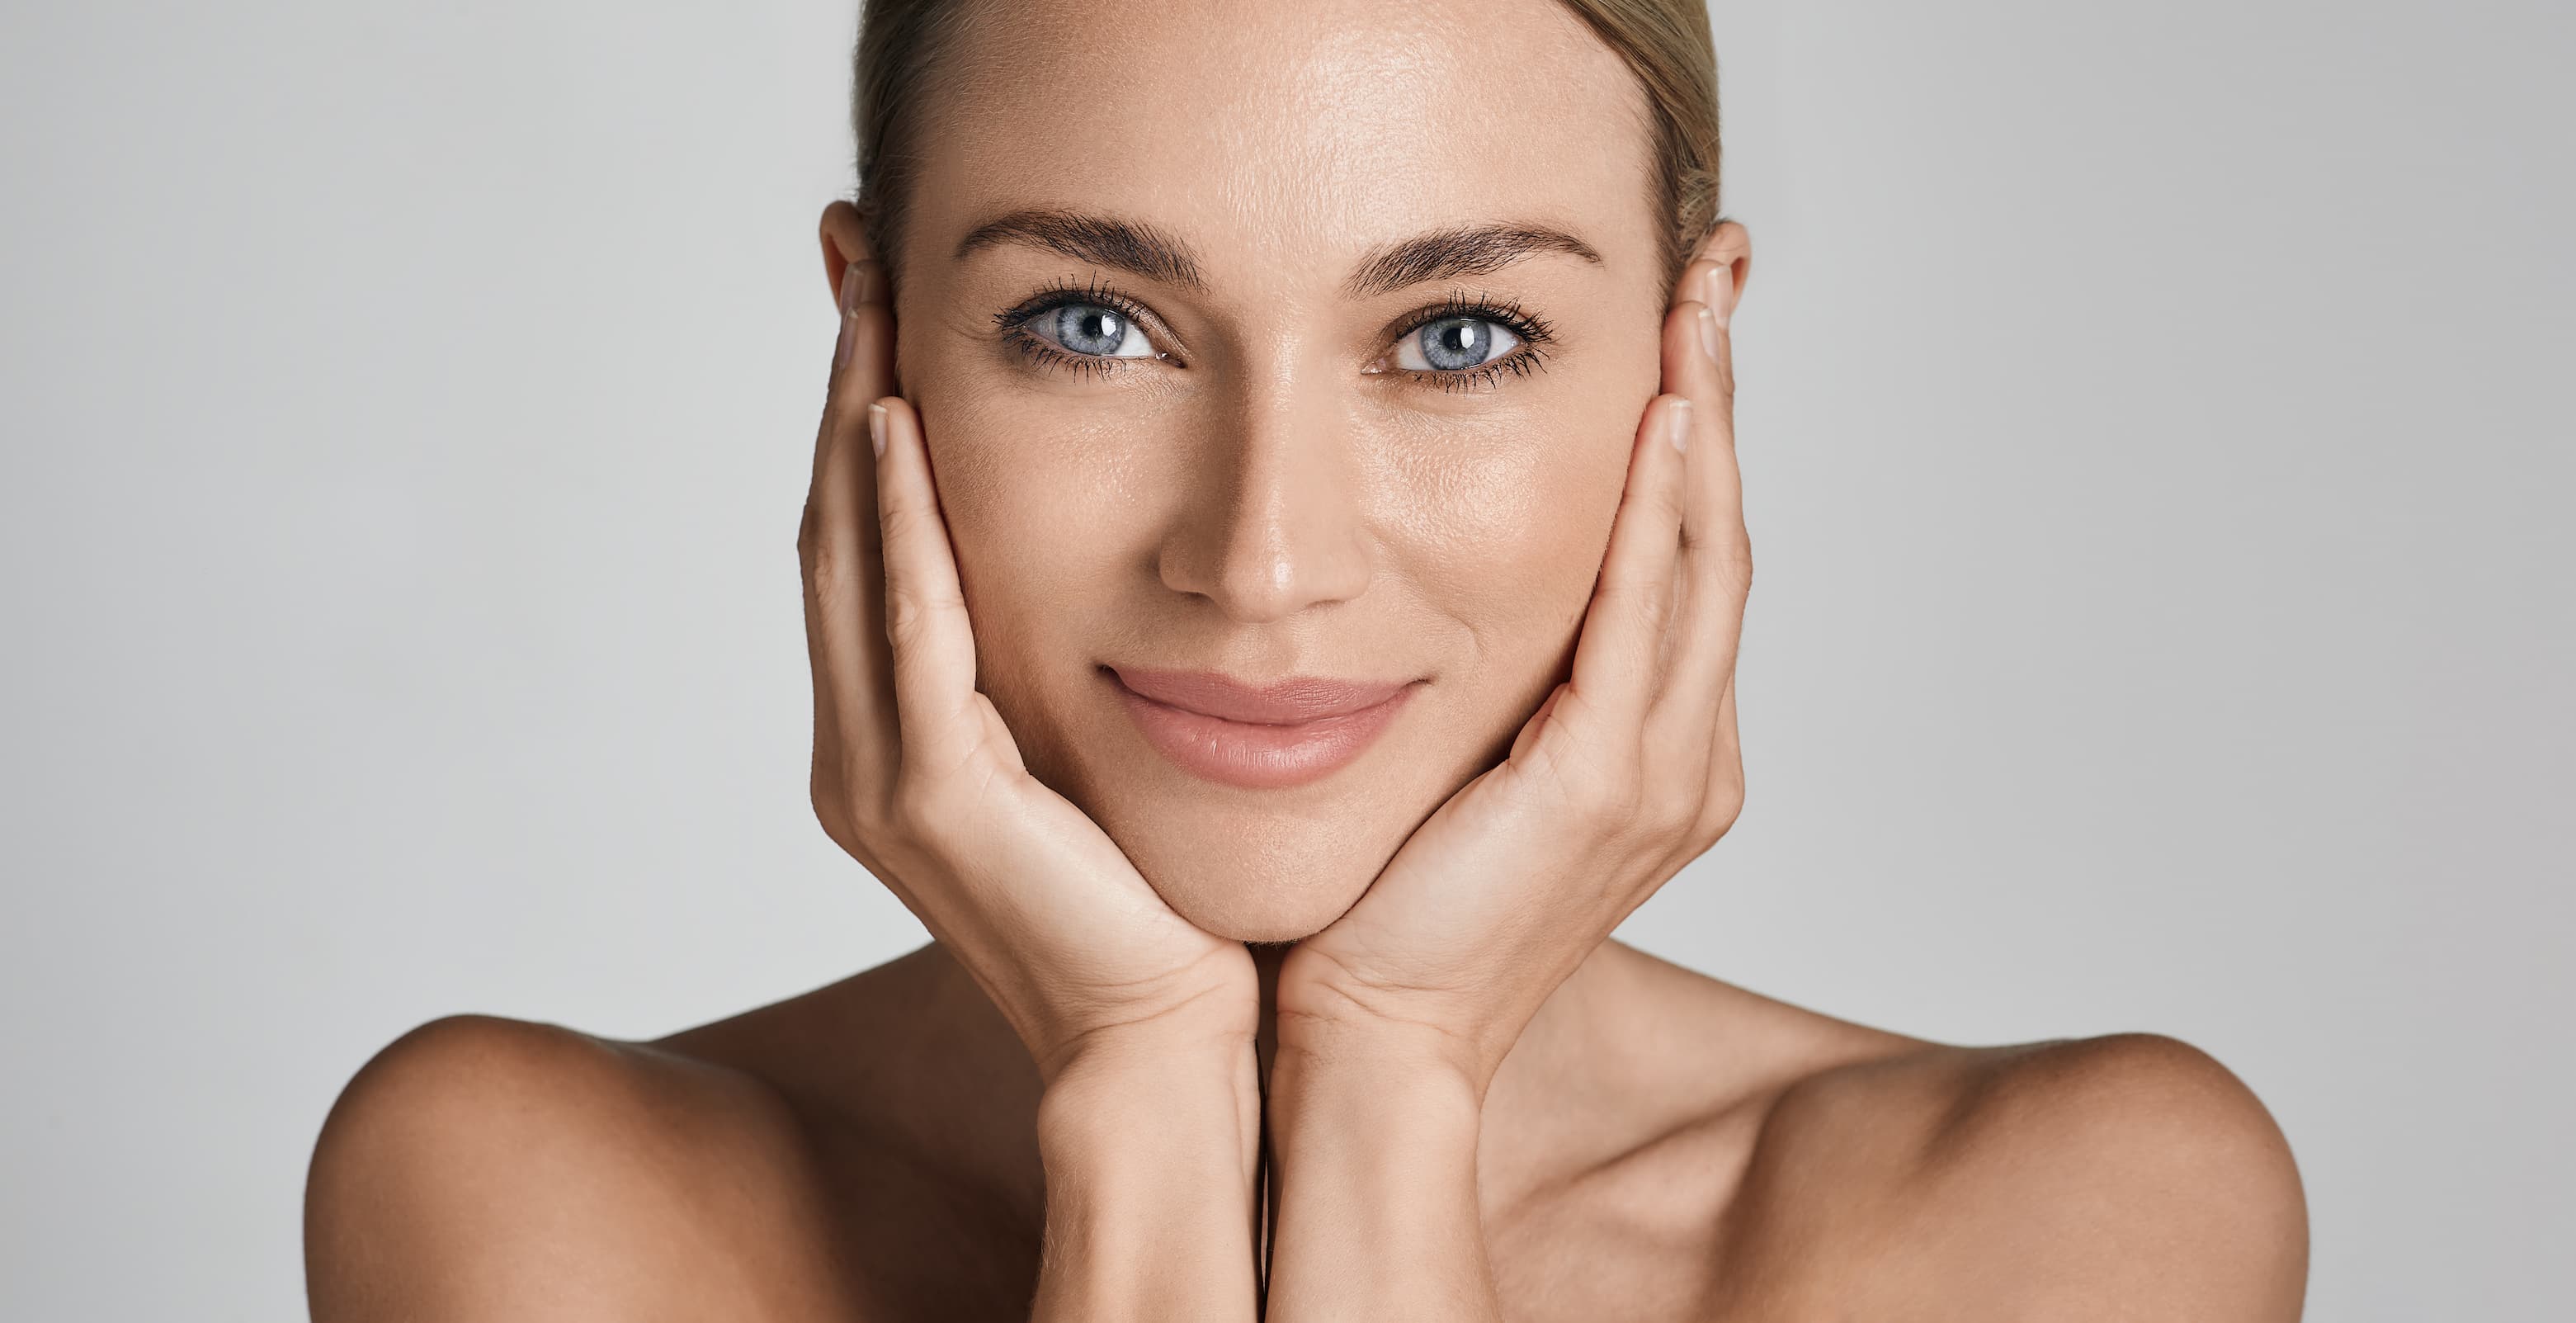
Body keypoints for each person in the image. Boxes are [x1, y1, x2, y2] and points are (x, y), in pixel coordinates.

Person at [302, 0, 2309, 1317]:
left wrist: (1393, 1072)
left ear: (1691, 374)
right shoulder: (536, 1210)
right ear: (873, 339)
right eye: (1090, 322)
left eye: (1456, 338)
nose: (1259, 560)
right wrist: (1142, 1104)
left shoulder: (2072, 1226)